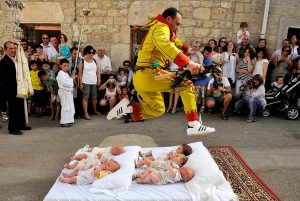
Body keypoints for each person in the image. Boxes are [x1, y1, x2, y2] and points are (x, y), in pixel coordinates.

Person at [107, 7, 215, 135]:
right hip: (149, 74)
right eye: (177, 24)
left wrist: (187, 48)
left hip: (142, 78)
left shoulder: (162, 28)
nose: (178, 28)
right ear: (168, 19)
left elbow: (174, 41)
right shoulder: (161, 27)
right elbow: (165, 44)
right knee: (186, 85)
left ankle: (127, 109)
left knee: (158, 108)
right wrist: (188, 62)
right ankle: (193, 125)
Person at [0, 41, 31, 135]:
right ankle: (12, 128)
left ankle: (21, 125)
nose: (13, 50)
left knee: (21, 106)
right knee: (13, 109)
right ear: (5, 50)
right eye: (11, 49)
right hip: (10, 89)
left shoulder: (17, 59)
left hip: (19, 87)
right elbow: (3, 77)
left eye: (14, 48)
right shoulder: (4, 61)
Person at [78, 46, 101, 119]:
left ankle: (95, 110)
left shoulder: (95, 61)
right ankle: (86, 113)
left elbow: (98, 71)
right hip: (85, 82)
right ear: (86, 53)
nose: (91, 54)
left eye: (92, 52)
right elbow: (80, 74)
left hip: (93, 81)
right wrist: (80, 83)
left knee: (94, 97)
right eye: (89, 52)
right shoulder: (82, 61)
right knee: (85, 98)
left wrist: (99, 79)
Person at [56, 59, 75, 127]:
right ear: (61, 66)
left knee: (69, 106)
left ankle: (69, 120)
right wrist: (71, 79)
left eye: (67, 66)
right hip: (64, 92)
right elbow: (65, 83)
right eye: (65, 66)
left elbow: (69, 83)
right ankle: (64, 121)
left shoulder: (66, 74)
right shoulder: (60, 73)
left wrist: (71, 79)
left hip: (68, 92)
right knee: (65, 106)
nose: (66, 67)